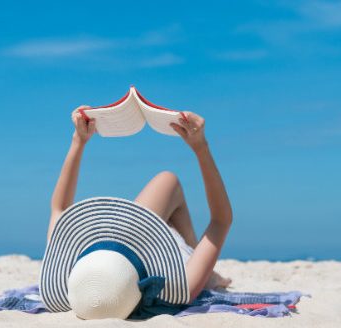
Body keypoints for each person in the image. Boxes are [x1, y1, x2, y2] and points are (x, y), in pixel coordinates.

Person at [46, 105, 233, 305]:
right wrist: (200, 147)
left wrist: (79, 140)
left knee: (167, 183)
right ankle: (208, 273)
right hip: (170, 256)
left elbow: (60, 208)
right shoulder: (179, 286)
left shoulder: (84, 287)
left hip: (129, 253)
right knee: (167, 180)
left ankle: (205, 267)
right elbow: (221, 220)